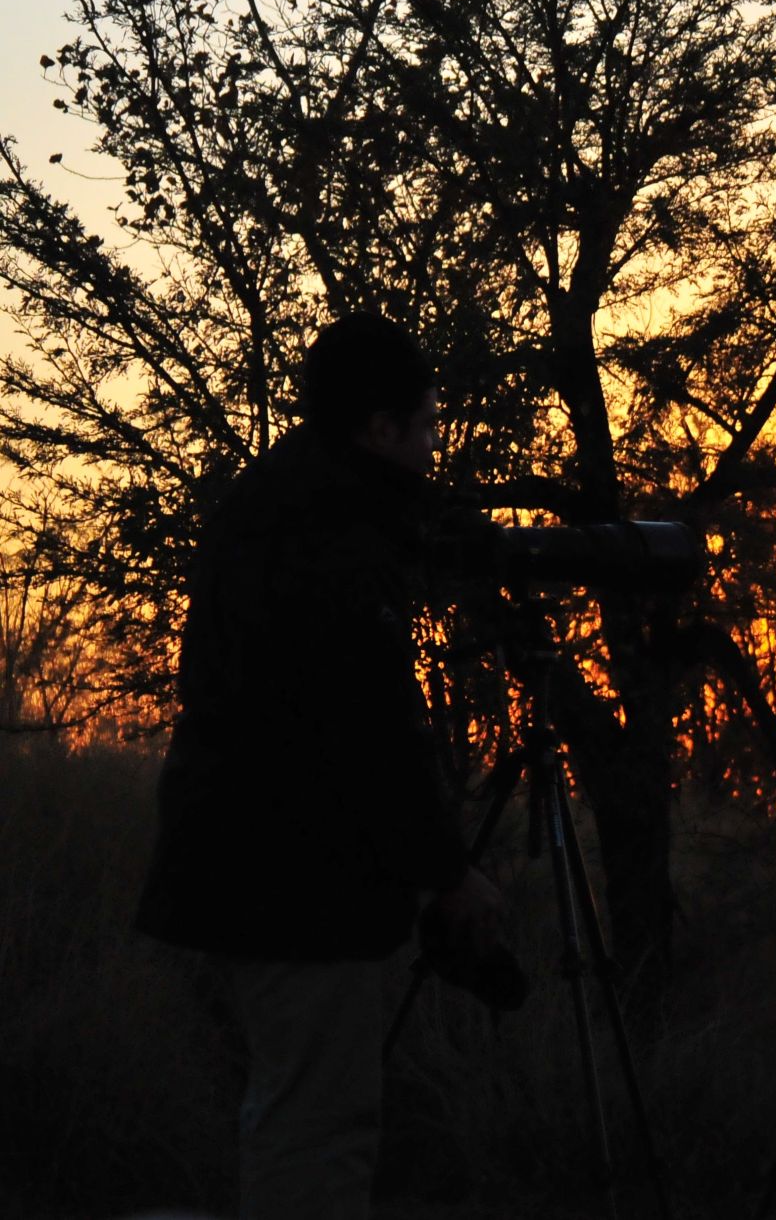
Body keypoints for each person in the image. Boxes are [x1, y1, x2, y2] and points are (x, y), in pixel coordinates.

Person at [136, 312, 503, 1220]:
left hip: (252, 866)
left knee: (294, 1107)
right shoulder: (328, 534)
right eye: (424, 427)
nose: (432, 447)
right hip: (292, 882)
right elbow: (367, 725)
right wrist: (446, 870)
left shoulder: (288, 505)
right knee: (320, 1123)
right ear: (377, 427)